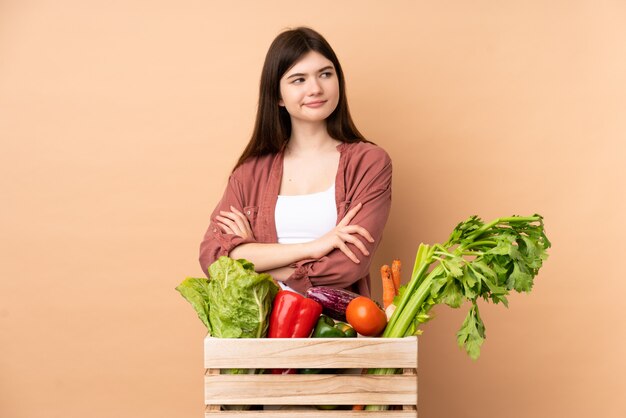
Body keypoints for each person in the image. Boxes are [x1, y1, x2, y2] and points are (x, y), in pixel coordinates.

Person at [199, 27, 392, 297]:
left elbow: (349, 265)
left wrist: (253, 259)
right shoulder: (249, 173)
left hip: (341, 331)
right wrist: (314, 247)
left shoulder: (369, 163)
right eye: (298, 80)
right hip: (261, 334)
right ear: (278, 95)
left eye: (325, 74)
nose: (315, 89)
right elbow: (215, 259)